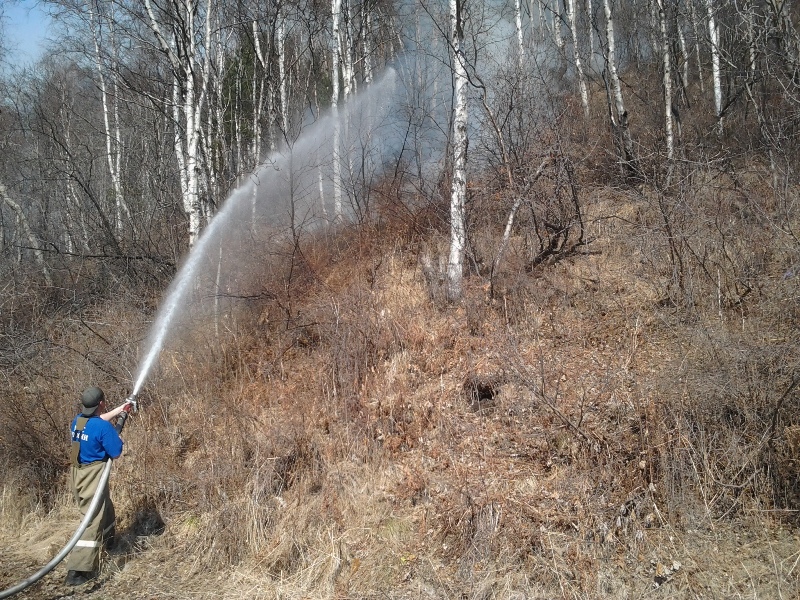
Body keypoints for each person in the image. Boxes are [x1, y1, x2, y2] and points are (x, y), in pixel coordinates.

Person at [65, 386, 130, 586]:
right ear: (101, 403)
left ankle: (109, 542)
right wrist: (116, 438)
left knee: (105, 507)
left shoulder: (79, 421)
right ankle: (78, 571)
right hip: (93, 476)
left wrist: (122, 409)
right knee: (91, 521)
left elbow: (97, 422)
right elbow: (116, 451)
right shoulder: (103, 428)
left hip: (79, 474)